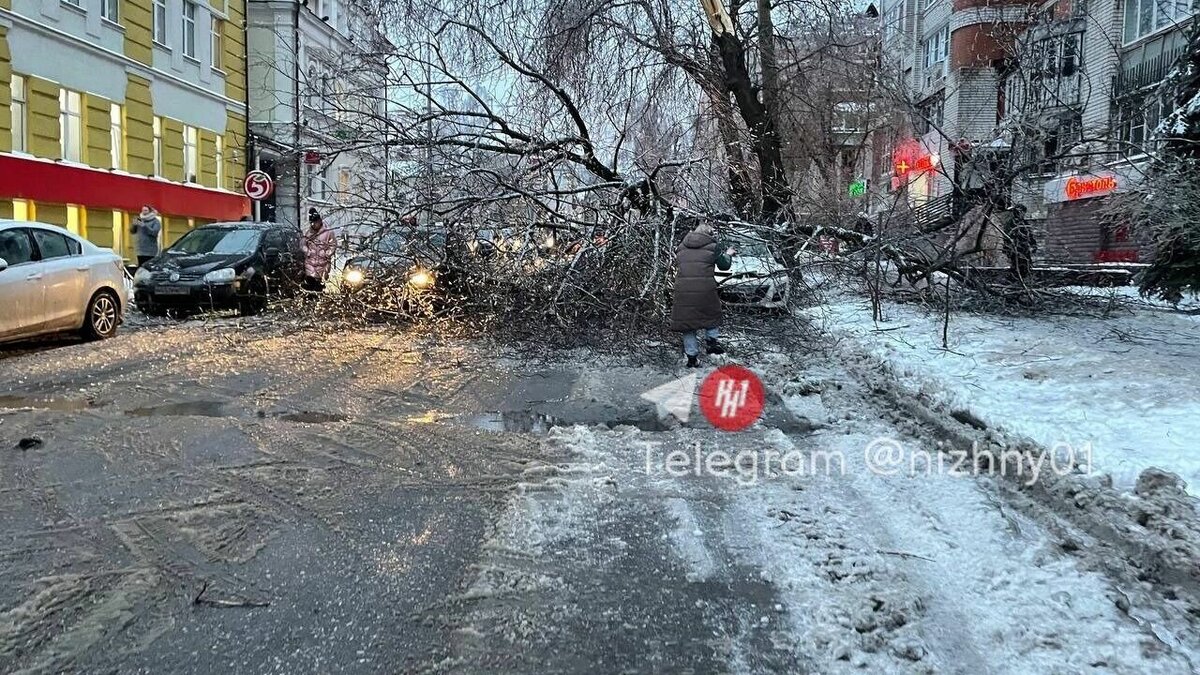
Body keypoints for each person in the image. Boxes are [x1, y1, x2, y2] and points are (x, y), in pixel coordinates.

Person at [669, 220, 733, 368]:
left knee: (688, 323)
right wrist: (728, 254)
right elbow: (724, 266)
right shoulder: (713, 246)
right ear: (709, 234)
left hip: (683, 289)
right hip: (705, 289)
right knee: (711, 313)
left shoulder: (681, 246)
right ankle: (711, 343)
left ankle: (692, 358)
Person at [301, 208, 335, 292]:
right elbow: (302, 244)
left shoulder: (328, 232)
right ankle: (310, 298)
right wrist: (307, 251)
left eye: (315, 222)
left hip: (323, 263)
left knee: (319, 284)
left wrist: (327, 253)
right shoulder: (308, 232)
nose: (313, 225)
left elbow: (333, 244)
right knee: (310, 282)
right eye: (311, 223)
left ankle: (318, 297)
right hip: (310, 262)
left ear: (319, 221)